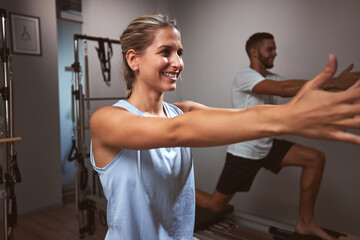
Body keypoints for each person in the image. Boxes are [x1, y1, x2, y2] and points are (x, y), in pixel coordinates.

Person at [90, 15, 360, 240]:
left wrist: (298, 110)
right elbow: (177, 132)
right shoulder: (107, 120)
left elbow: (246, 116)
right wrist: (291, 117)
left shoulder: (181, 110)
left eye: (180, 53)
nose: (178, 62)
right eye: (165, 52)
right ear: (133, 59)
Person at [195, 32, 360, 240]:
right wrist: (335, 81)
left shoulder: (272, 77)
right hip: (245, 150)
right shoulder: (245, 76)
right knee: (215, 204)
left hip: (267, 144)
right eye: (270, 49)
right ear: (254, 52)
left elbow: (304, 94)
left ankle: (305, 222)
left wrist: (346, 92)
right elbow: (283, 90)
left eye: (274, 49)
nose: (275, 53)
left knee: (315, 159)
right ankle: (174, 189)